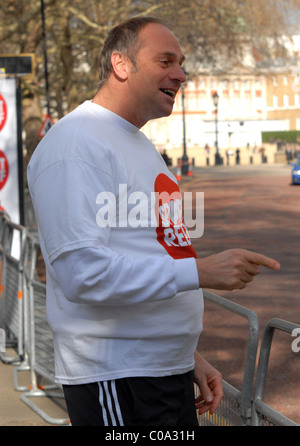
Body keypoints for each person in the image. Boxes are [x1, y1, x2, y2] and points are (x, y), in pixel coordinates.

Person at [27, 16, 280, 427]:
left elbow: (145, 249)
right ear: (121, 65)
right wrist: (199, 271)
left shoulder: (137, 143)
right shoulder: (76, 143)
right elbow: (81, 273)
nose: (180, 74)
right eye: (165, 61)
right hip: (117, 375)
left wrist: (186, 355)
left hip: (161, 370)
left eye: (181, 63)